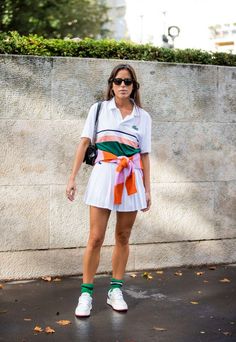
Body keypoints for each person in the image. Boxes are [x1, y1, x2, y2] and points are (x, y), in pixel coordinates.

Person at [66, 64, 152, 318]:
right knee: (95, 237)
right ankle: (86, 294)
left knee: (123, 236)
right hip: (103, 176)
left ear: (134, 86)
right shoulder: (99, 110)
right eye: (117, 81)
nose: (122, 85)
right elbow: (83, 144)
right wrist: (71, 178)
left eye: (127, 81)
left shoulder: (143, 117)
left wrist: (148, 190)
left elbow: (144, 155)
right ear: (111, 84)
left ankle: (115, 290)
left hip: (131, 179)